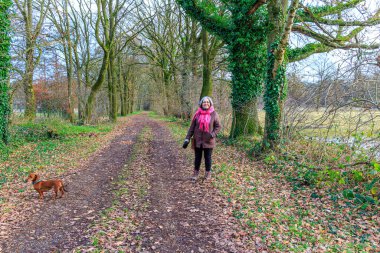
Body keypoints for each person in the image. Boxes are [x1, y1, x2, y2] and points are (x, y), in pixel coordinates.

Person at [182, 96, 221, 180]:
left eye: (207, 102)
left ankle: (208, 173)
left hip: (209, 140)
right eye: (204, 102)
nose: (206, 103)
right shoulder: (197, 114)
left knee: (208, 158)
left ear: (210, 104)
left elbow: (218, 127)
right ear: (201, 104)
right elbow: (192, 128)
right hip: (198, 140)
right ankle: (195, 174)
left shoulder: (214, 114)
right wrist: (187, 139)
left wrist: (212, 134)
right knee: (197, 158)